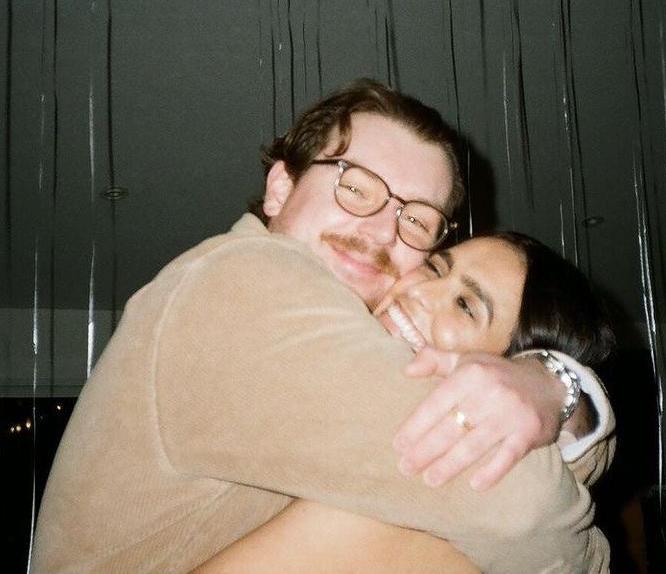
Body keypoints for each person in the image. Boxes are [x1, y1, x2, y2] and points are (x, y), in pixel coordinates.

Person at [31, 79, 613, 574]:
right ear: (280, 188)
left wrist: (555, 387)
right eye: (354, 185)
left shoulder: (345, 365)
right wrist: (558, 392)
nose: (381, 231)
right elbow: (519, 507)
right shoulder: (242, 279)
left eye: (417, 221)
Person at [190, 231, 616, 573]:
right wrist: (559, 380)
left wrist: (558, 388)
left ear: (505, 378)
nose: (422, 291)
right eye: (435, 267)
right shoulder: (305, 345)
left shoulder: (454, 491)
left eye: (465, 306)